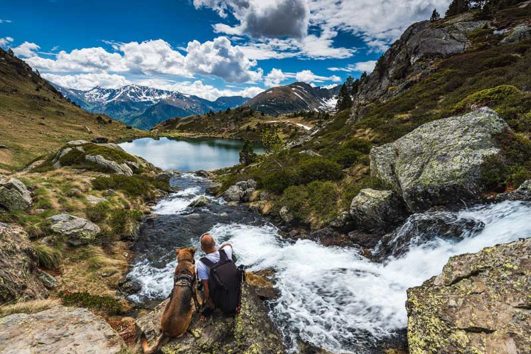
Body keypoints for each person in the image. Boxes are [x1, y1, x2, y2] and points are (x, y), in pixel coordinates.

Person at [196, 233, 242, 315]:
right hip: (235, 295)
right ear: (214, 243)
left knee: (200, 286)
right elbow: (228, 245)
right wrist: (219, 249)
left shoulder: (201, 263)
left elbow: (206, 289)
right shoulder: (226, 251)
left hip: (220, 300)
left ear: (202, 248)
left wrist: (211, 305)